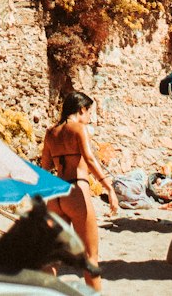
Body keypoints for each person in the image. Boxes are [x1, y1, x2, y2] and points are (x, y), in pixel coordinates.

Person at [41, 91, 119, 292]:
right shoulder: (79, 129)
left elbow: (45, 167)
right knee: (90, 257)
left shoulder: (50, 133)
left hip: (56, 193)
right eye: (89, 112)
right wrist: (108, 187)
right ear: (81, 110)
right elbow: (90, 159)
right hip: (77, 190)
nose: (90, 117)